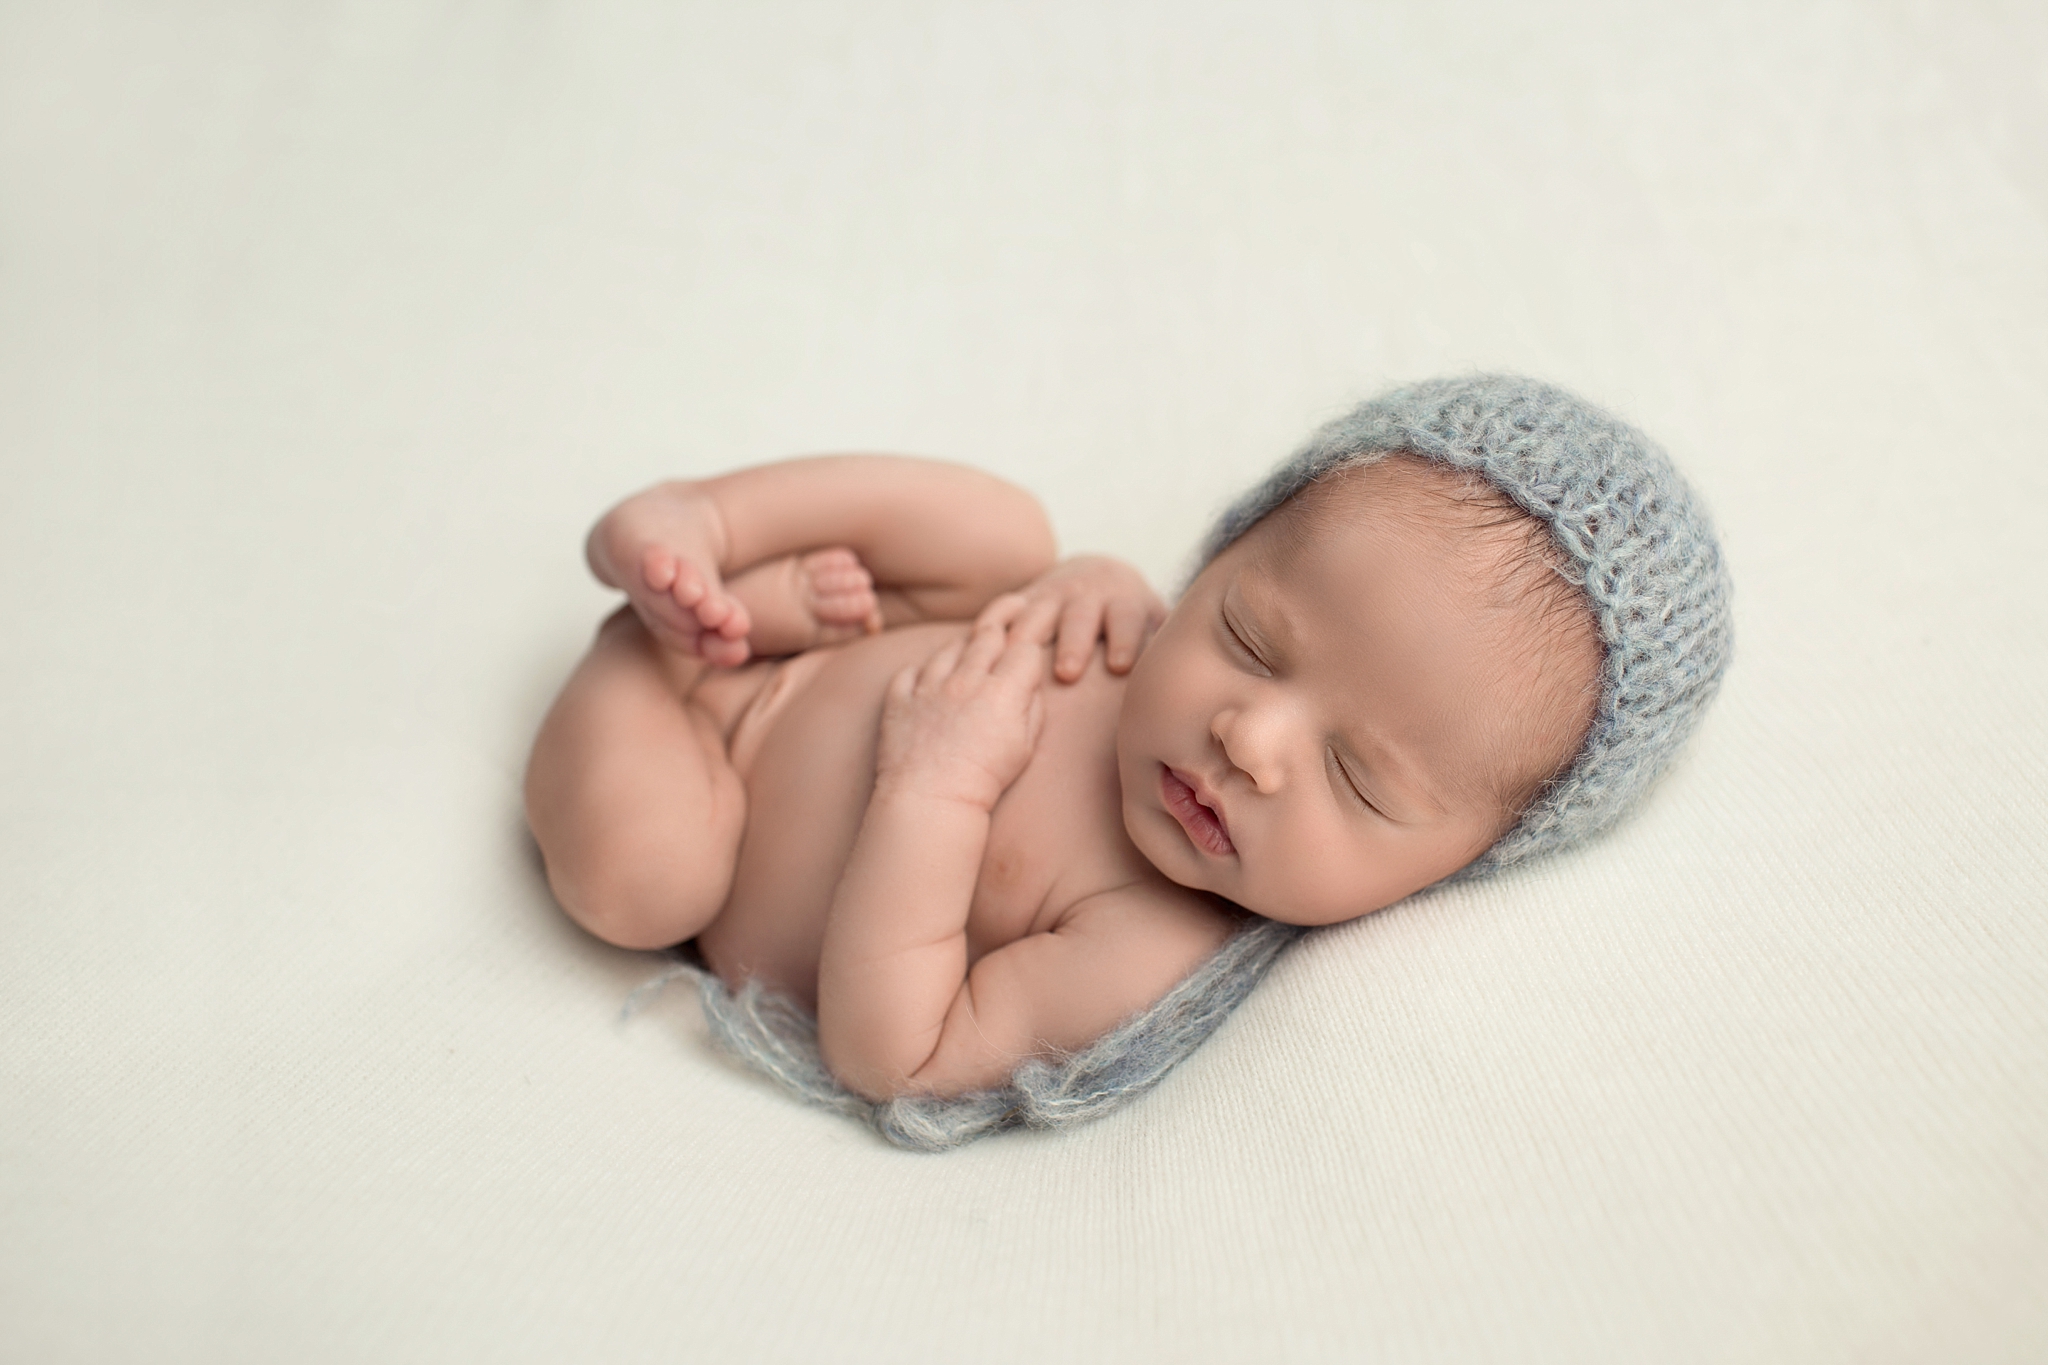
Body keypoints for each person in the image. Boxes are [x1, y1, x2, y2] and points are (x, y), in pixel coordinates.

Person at [524, 374, 1732, 1147]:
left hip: (702, 793)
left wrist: (933, 787)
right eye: (1247, 639)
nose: (1247, 741)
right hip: (857, 626)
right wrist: (1083, 581)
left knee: (641, 880)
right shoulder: (1137, 637)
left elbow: (896, 1054)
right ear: (1214, 561)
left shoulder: (1146, 942)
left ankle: (645, 652)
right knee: (1006, 530)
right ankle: (710, 528)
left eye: (1358, 780)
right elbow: (1081, 600)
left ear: (1460, 867)